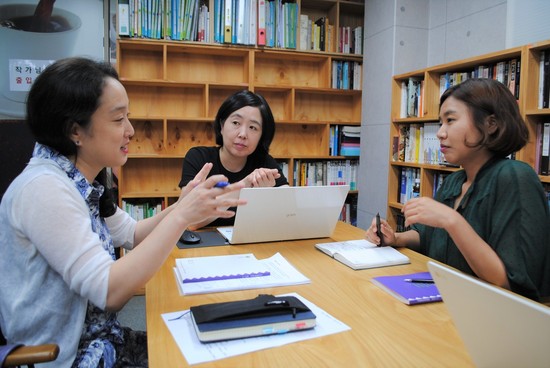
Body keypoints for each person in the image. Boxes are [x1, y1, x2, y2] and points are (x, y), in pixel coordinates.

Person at [0, 57, 246, 368]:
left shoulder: (80, 179)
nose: (130, 130)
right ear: (75, 130)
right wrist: (182, 215)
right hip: (69, 357)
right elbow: (110, 292)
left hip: (102, 339)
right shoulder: (44, 189)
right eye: (118, 120)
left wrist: (184, 205)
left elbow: (131, 234)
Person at [366, 78, 550, 301]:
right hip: (449, 303)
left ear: (490, 124)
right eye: (441, 122)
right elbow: (428, 237)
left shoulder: (515, 177)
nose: (441, 133)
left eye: (450, 120)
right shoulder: (456, 181)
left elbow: (507, 281)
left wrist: (452, 221)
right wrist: (395, 238)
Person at [178, 89, 289, 229]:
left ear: (262, 136)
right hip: (203, 246)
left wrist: (268, 195)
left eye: (253, 127)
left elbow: (289, 211)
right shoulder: (199, 158)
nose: (243, 134)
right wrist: (245, 185)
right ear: (222, 125)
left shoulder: (265, 163)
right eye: (236, 123)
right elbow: (191, 222)